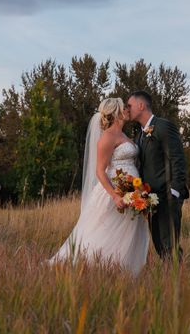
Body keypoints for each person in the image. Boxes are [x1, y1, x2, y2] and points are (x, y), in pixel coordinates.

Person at [49, 98, 149, 275]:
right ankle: (92, 266)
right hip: (114, 191)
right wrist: (115, 195)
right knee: (105, 230)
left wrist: (138, 190)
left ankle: (122, 270)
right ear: (116, 113)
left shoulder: (124, 135)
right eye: (123, 108)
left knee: (126, 231)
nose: (127, 110)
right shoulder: (107, 137)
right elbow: (100, 171)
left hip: (133, 190)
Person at [127, 91, 188, 260]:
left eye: (129, 105)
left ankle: (178, 279)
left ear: (141, 105)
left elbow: (178, 160)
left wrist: (175, 191)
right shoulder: (139, 135)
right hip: (150, 197)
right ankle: (170, 280)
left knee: (170, 244)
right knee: (159, 244)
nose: (127, 109)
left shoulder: (163, 126)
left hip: (168, 194)